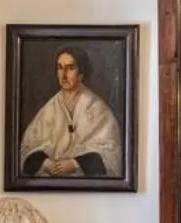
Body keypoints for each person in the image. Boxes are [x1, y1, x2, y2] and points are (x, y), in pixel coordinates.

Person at [19, 46, 122, 178]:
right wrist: (44, 163)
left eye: (70, 68)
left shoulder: (98, 109)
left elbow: (113, 156)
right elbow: (26, 149)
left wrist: (76, 163)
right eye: (60, 68)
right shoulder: (48, 110)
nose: (64, 75)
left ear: (81, 73)